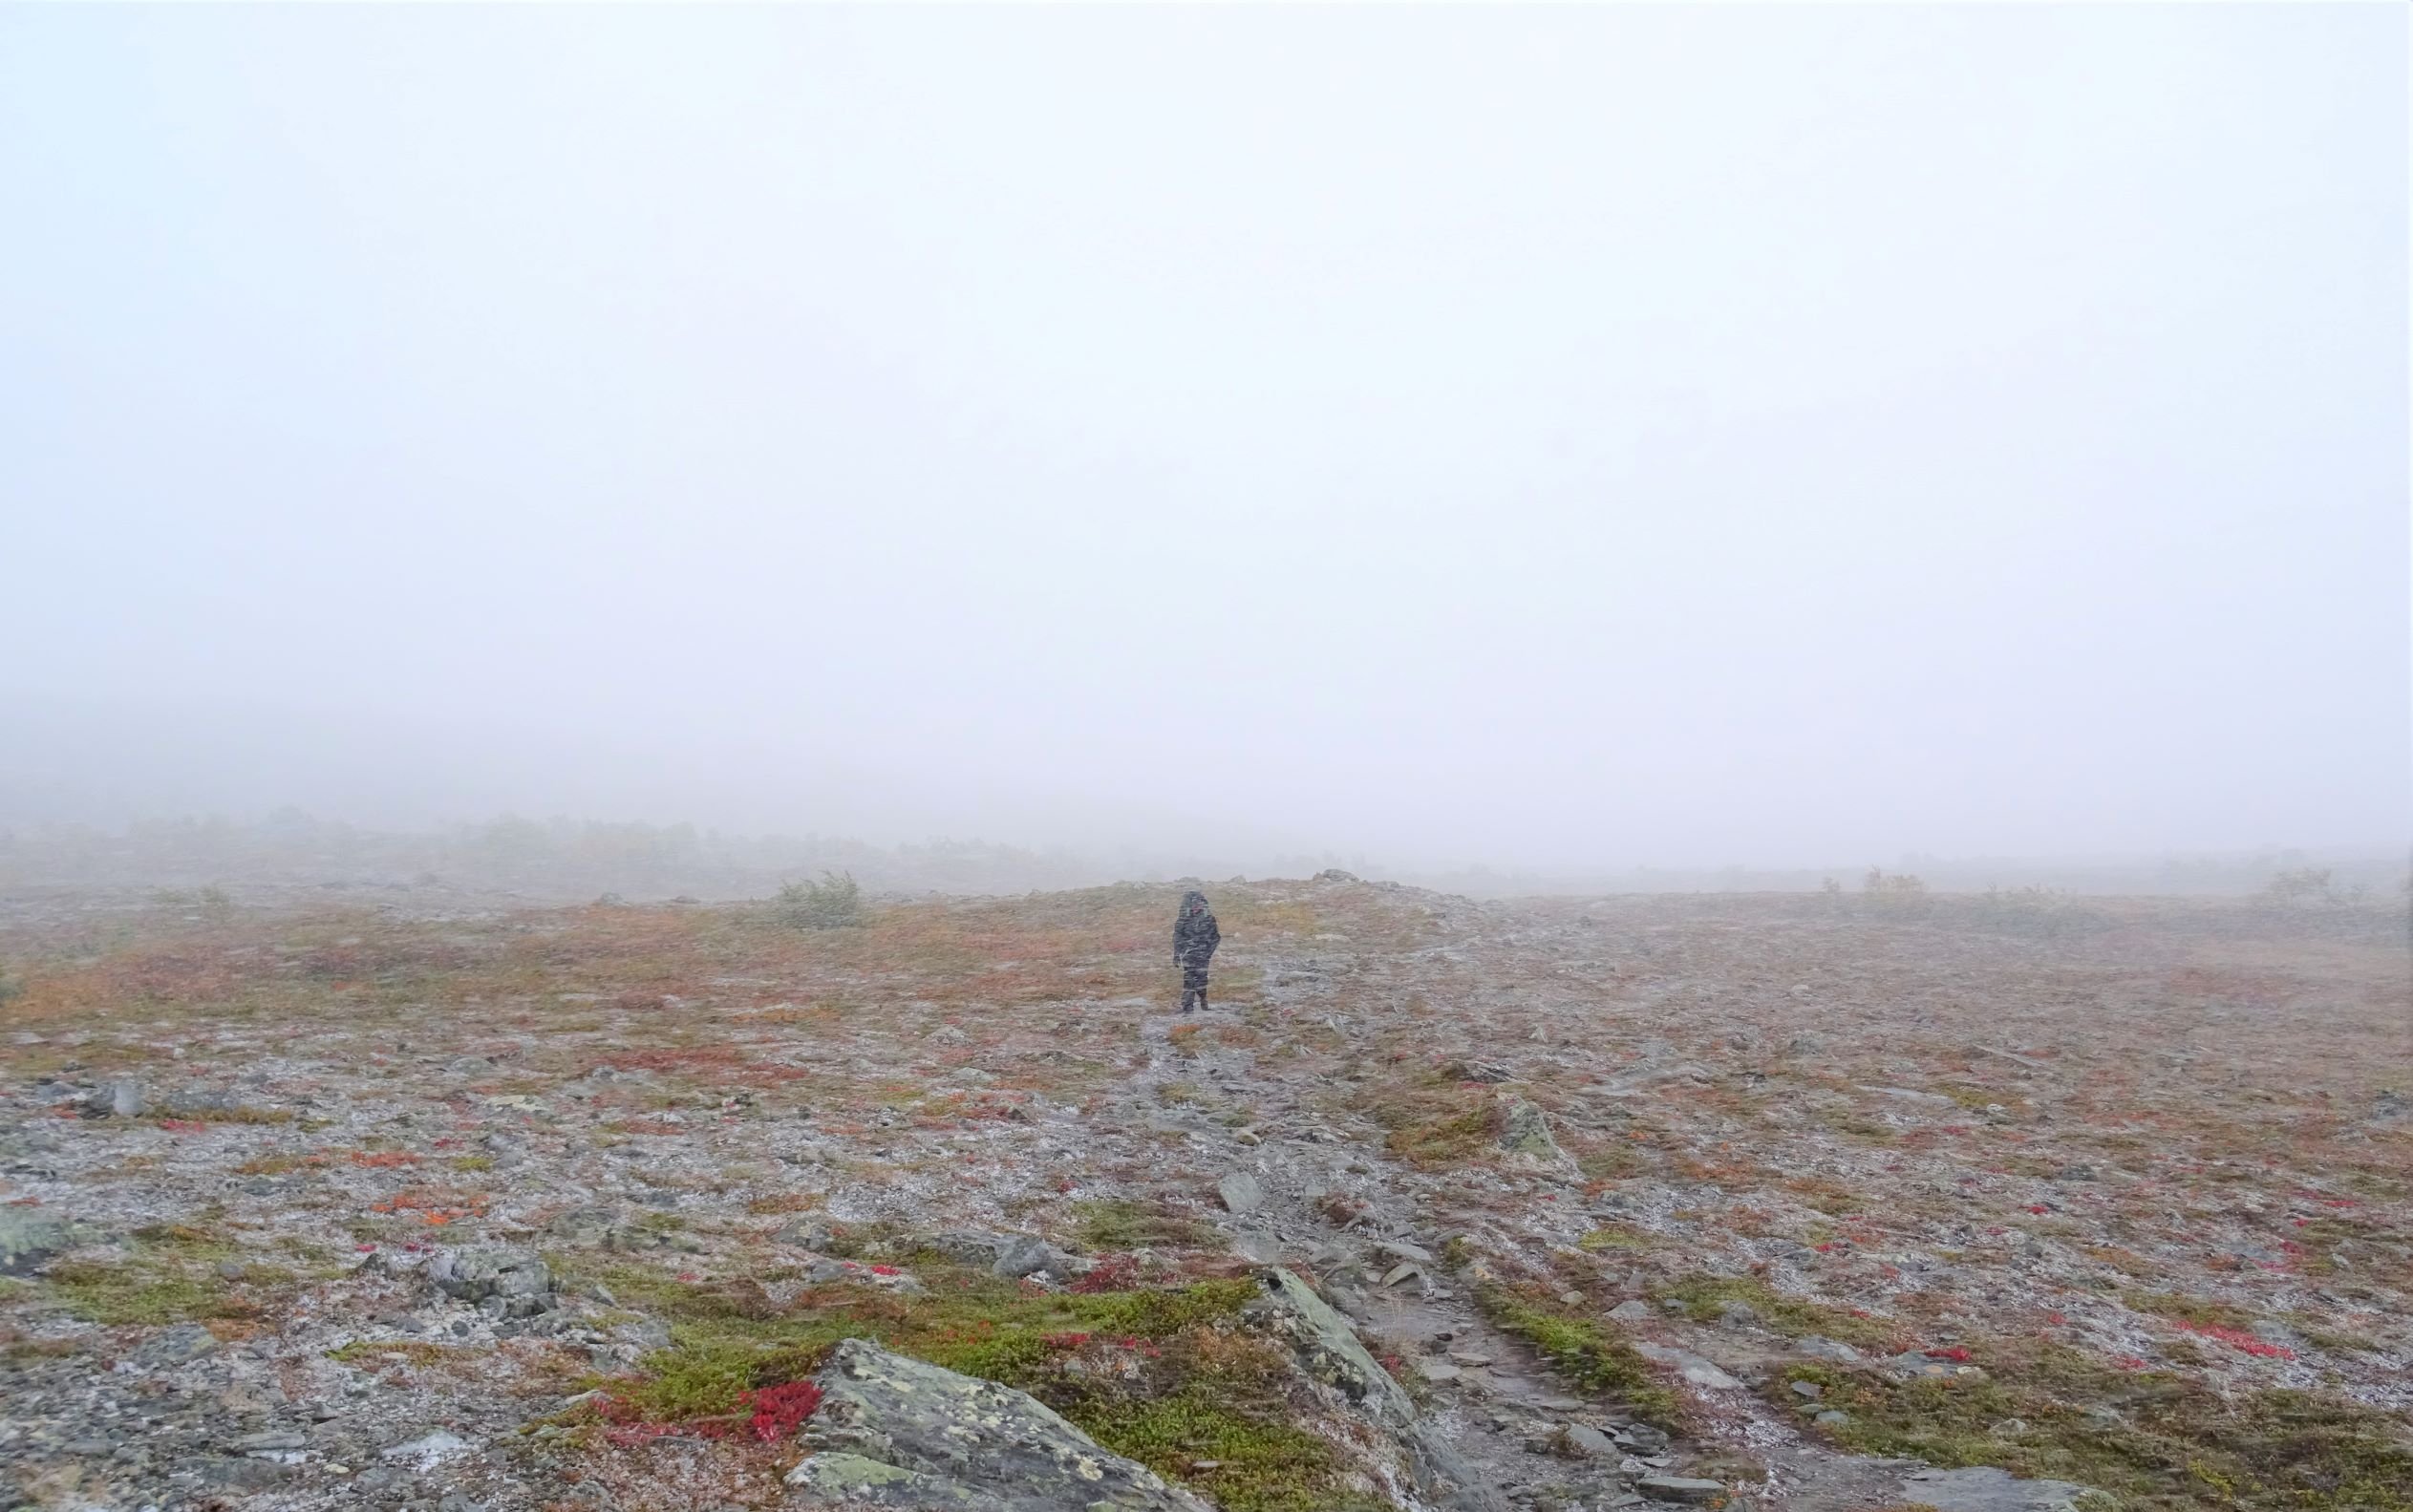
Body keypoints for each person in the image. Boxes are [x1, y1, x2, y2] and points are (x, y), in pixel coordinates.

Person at [1173, 889, 1220, 1012]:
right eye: (1193, 904)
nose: (1195, 907)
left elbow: (1215, 937)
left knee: (1202, 979)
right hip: (1188, 955)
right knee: (1188, 980)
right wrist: (1177, 955)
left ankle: (1203, 1001)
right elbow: (1177, 937)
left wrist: (1208, 952)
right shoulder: (1182, 920)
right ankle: (1187, 1007)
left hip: (1203, 956)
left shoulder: (1209, 918)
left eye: (1198, 904)